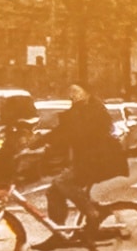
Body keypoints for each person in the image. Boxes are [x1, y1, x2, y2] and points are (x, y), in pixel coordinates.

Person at [40, 87, 126, 229]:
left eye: (76, 91)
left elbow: (78, 132)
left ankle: (92, 212)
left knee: (63, 182)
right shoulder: (78, 110)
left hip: (98, 161)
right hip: (86, 161)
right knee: (53, 192)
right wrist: (36, 143)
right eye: (70, 91)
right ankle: (59, 231)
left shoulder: (94, 110)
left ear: (87, 93)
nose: (71, 95)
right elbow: (62, 129)